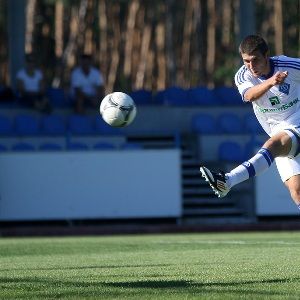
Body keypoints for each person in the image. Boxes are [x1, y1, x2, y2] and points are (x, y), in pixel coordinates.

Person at [200, 34, 300, 208]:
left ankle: (228, 180)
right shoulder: (243, 76)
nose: (251, 66)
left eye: (255, 60)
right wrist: (271, 82)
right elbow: (249, 96)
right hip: (278, 129)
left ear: (266, 55)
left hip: (296, 121)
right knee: (297, 192)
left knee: (273, 144)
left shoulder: (289, 66)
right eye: (246, 61)